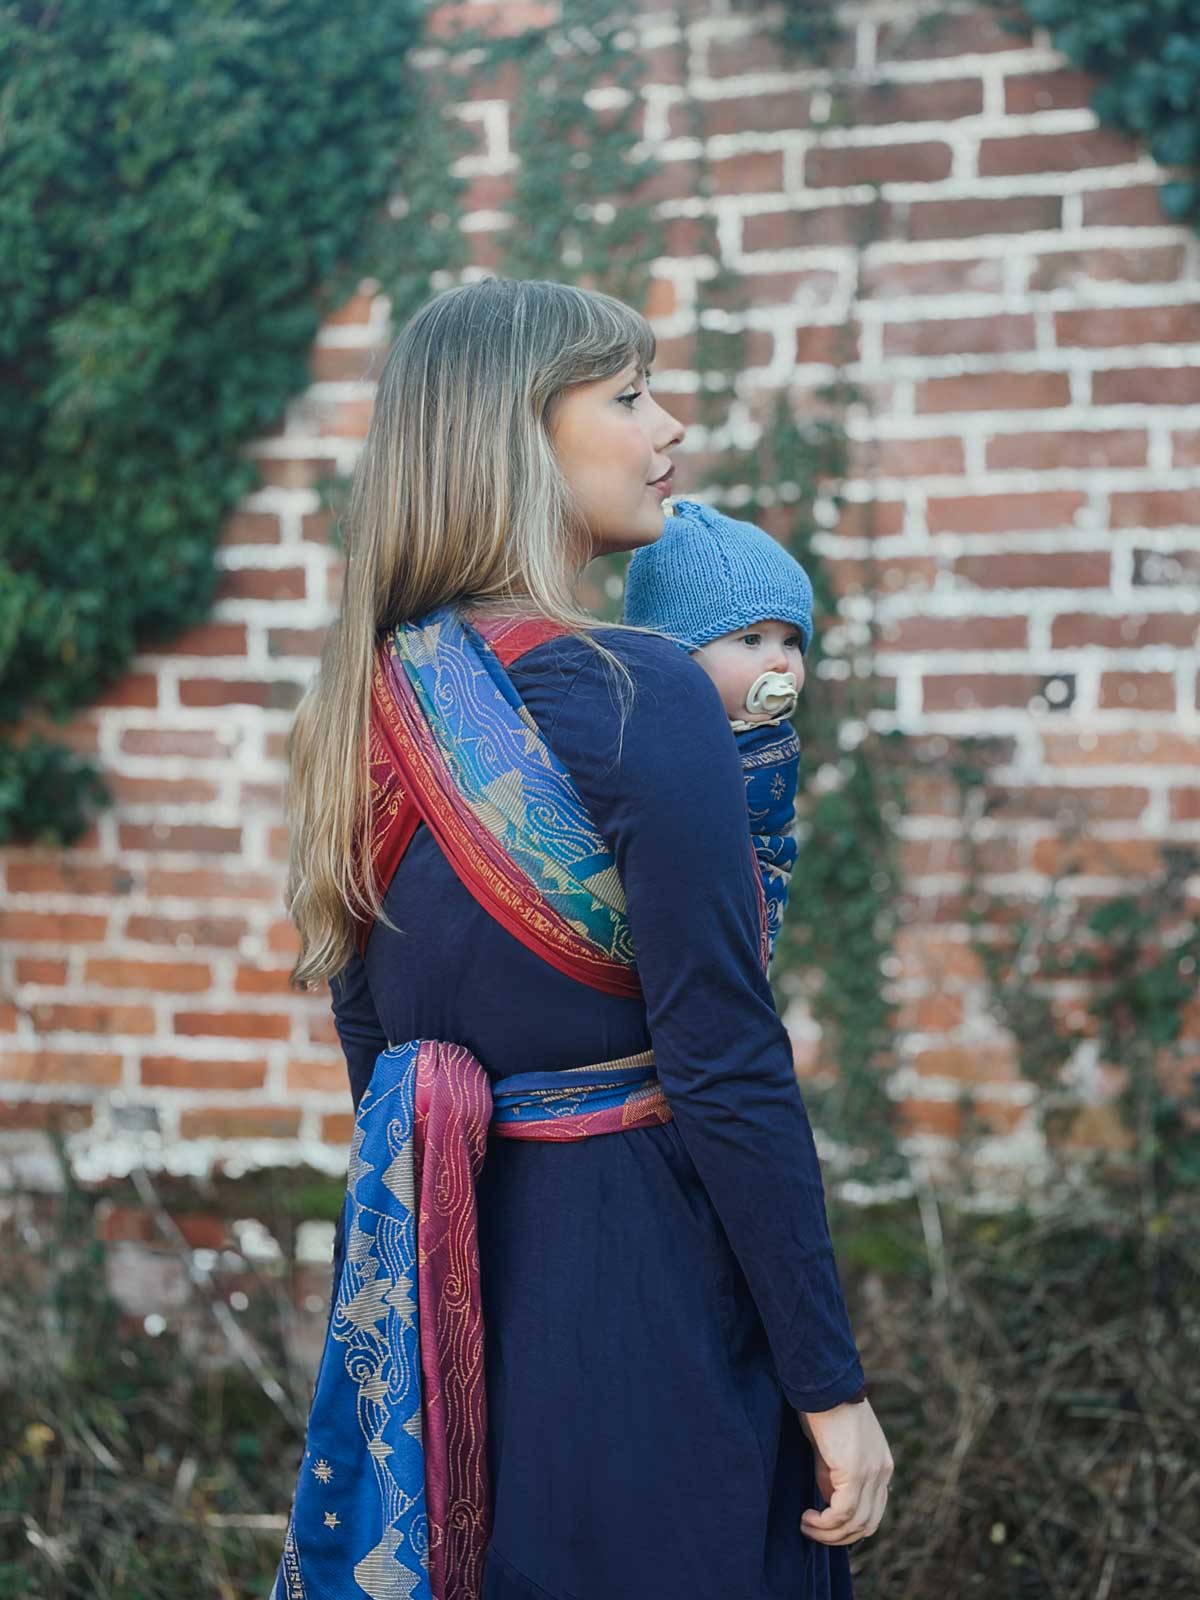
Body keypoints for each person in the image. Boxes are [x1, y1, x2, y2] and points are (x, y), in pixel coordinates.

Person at [276, 276, 893, 1600]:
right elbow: (725, 1055)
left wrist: (449, 1255)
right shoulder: (637, 692)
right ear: (517, 434)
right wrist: (827, 1383)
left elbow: (375, 1048)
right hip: (651, 1301)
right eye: (628, 395)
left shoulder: (365, 706)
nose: (668, 425)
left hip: (453, 1303)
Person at [622, 497, 816, 963]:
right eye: (751, 639)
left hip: (737, 927)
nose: (779, 660)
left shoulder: (765, 739)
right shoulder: (652, 727)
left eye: (791, 641)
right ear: (676, 656)